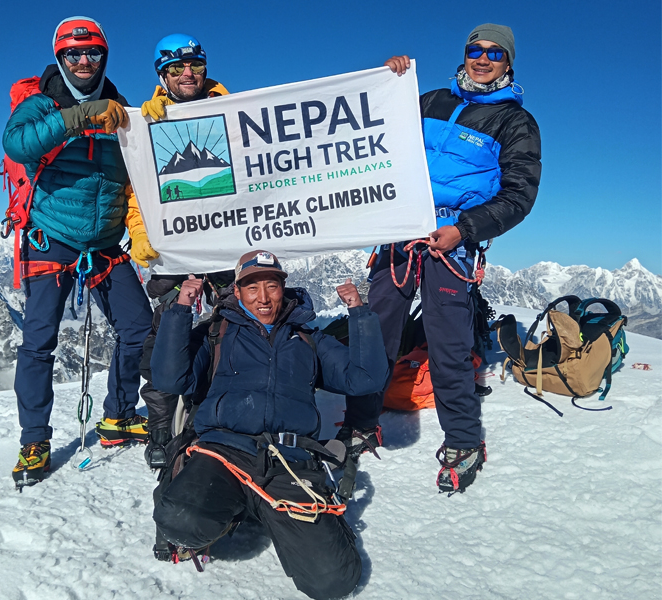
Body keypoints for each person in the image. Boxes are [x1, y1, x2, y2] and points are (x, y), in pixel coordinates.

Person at [347, 23, 542, 493]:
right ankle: (360, 423)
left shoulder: (516, 123)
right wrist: (388, 83)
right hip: (400, 232)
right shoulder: (430, 100)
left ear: (508, 63)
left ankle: (463, 439)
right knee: (376, 330)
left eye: (495, 53)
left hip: (452, 239)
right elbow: (376, 136)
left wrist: (465, 229)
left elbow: (519, 195)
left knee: (449, 342)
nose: (483, 58)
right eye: (476, 49)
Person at [149, 250, 390, 600]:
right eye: (252, 288)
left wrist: (358, 311)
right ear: (237, 290)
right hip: (223, 452)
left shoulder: (307, 338)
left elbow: (366, 379)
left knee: (332, 581)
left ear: (283, 289)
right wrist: (181, 308)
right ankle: (233, 507)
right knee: (180, 520)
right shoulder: (217, 331)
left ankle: (255, 509)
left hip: (289, 462)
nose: (263, 298)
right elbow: (170, 378)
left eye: (272, 286)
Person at [3, 16, 153, 486]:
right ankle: (34, 440)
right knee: (38, 342)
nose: (83, 61)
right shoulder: (38, 103)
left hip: (105, 241)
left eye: (92, 54)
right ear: (60, 57)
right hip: (52, 238)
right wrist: (79, 117)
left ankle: (118, 416)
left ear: (104, 57)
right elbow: (17, 142)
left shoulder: (123, 108)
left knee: (138, 328)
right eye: (73, 54)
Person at [124, 33, 235, 469]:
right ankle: (160, 426)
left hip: (228, 245)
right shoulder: (147, 123)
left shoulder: (233, 111)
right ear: (161, 75)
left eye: (194, 65)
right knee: (165, 338)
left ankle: (223, 413)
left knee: (234, 331)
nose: (186, 74)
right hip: (177, 249)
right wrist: (141, 232)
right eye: (175, 68)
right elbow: (137, 193)